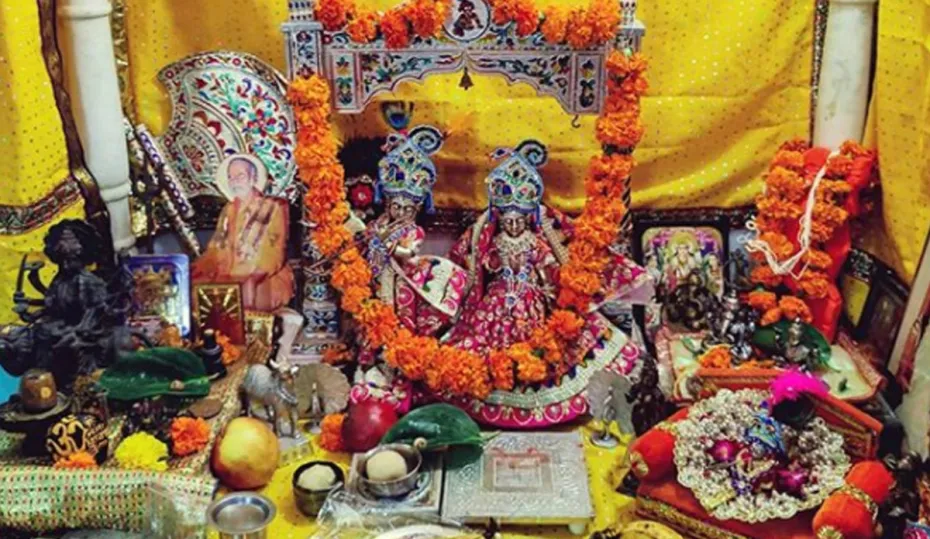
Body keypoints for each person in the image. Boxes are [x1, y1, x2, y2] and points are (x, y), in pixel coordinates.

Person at [443, 140, 654, 366]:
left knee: (544, 338)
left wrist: (549, 281)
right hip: (498, 295)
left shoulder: (534, 241)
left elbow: (553, 264)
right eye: (509, 222)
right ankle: (497, 366)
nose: (513, 226)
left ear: (527, 220)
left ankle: (531, 365)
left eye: (518, 221)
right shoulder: (492, 239)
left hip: (530, 294)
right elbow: (481, 266)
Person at [192, 155, 294, 312]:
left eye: (240, 176)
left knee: (246, 295)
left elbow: (273, 252)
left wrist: (252, 278)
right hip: (228, 275)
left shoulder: (272, 207)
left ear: (254, 178)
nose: (235, 181)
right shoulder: (228, 210)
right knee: (193, 288)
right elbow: (215, 249)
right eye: (230, 177)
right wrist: (196, 270)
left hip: (263, 277)